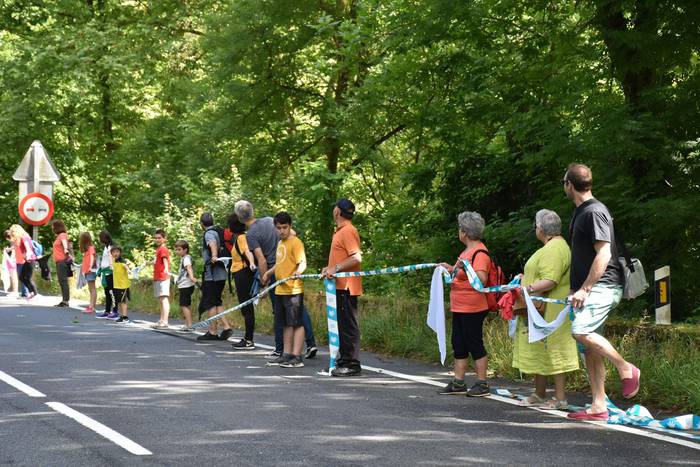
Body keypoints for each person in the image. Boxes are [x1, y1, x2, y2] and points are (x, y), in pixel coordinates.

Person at [563, 163, 640, 421]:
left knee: (581, 331)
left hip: (602, 285)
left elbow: (604, 253)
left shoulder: (594, 212)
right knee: (591, 348)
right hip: (590, 288)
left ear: (569, 185)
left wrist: (585, 289)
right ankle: (598, 405)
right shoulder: (582, 212)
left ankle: (625, 367)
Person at [512, 210, 579, 409]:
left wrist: (527, 288)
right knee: (540, 348)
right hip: (541, 309)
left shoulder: (555, 248)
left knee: (555, 349)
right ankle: (539, 393)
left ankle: (560, 398)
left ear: (540, 228)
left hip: (551, 310)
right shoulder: (553, 246)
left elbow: (550, 280)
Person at [234, 200, 317, 359]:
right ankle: (310, 343)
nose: (281, 230)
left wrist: (264, 282)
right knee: (298, 310)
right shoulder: (268, 221)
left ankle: (280, 349)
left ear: (239, 217)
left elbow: (261, 260)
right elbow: (292, 235)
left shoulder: (251, 234)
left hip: (276, 272)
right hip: (287, 267)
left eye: (283, 227)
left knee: (280, 313)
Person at [438, 211, 492, 397]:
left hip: (473, 307)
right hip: (459, 306)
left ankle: (482, 383)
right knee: (458, 343)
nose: (458, 232)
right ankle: (458, 382)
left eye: (460, 229)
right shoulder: (466, 252)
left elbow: (481, 279)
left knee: (474, 342)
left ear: (465, 232)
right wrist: (451, 268)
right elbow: (461, 275)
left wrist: (464, 267)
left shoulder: (480, 253)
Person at [321, 198, 363, 377]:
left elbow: (356, 258)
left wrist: (336, 268)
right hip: (338, 286)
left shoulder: (347, 231)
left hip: (346, 286)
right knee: (340, 325)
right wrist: (329, 268)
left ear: (337, 211)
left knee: (348, 325)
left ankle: (351, 363)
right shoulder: (340, 231)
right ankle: (342, 360)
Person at [262, 212, 307, 368]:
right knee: (286, 324)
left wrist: (298, 273)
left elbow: (302, 263)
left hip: (293, 290)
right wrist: (268, 272)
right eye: (279, 228)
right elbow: (280, 264)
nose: (282, 231)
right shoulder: (280, 243)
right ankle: (286, 354)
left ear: (290, 227)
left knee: (297, 323)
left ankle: (297, 356)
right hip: (280, 290)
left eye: (285, 227)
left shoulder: (296, 243)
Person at [196, 212, 234, 341]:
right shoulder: (219, 231)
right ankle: (227, 327)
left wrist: (213, 256)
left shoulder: (209, 233)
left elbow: (212, 243)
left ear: (202, 224)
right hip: (221, 273)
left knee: (210, 303)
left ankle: (212, 331)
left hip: (212, 274)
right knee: (217, 301)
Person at [226, 213, 258, 350]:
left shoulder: (241, 238)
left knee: (247, 307)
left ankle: (249, 339)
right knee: (245, 307)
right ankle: (248, 338)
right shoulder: (240, 237)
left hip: (243, 273)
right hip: (240, 273)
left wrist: (251, 263)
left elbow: (247, 252)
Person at [9, 224, 37, 299]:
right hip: (27, 260)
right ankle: (32, 292)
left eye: (14, 234)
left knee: (28, 278)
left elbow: (27, 246)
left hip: (30, 259)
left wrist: (27, 254)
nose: (13, 236)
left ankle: (34, 293)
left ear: (18, 232)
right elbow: (17, 246)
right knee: (21, 277)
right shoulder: (21, 238)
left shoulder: (24, 237)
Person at [174, 240, 197, 329]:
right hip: (184, 284)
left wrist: (191, 277)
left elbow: (189, 267)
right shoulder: (185, 258)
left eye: (179, 249)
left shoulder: (186, 258)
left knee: (184, 305)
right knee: (186, 305)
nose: (177, 251)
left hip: (186, 285)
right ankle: (188, 324)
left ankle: (190, 324)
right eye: (176, 250)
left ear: (185, 249)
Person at [151, 229, 172, 329]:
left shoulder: (163, 249)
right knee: (161, 299)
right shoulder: (158, 249)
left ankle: (165, 321)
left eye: (159, 238)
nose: (157, 239)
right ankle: (161, 320)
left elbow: (165, 260)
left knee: (164, 299)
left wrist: (167, 270)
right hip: (158, 276)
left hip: (163, 277)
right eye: (156, 238)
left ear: (164, 239)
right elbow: (158, 261)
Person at [51, 220, 72, 307]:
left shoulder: (62, 235)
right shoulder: (59, 236)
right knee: (61, 281)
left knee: (63, 281)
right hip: (59, 261)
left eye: (53, 226)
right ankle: (64, 300)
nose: (52, 228)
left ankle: (66, 301)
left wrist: (66, 249)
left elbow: (64, 243)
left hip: (62, 261)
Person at [96, 231, 116, 319]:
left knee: (111, 292)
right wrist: (100, 269)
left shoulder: (111, 247)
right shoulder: (106, 247)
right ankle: (107, 311)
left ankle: (115, 311)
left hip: (110, 272)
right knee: (107, 293)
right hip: (105, 271)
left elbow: (112, 260)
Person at [110, 245, 132, 323]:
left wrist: (128, 270)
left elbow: (125, 266)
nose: (115, 253)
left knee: (123, 301)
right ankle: (121, 316)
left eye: (117, 252)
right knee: (118, 301)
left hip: (123, 285)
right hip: (117, 285)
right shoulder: (114, 261)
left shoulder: (121, 260)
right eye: (113, 252)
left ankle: (125, 317)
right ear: (111, 253)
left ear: (120, 253)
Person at [79, 232, 98, 313]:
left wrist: (89, 268)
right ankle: (91, 306)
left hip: (90, 271)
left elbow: (92, 258)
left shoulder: (90, 248)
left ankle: (92, 307)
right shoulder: (87, 249)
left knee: (92, 288)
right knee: (90, 289)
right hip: (87, 271)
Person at [4, 230, 19, 297]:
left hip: (16, 259)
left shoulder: (15, 241)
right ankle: (16, 291)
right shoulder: (17, 239)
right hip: (17, 259)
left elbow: (15, 248)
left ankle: (15, 291)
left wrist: (9, 249)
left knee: (14, 275)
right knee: (15, 275)